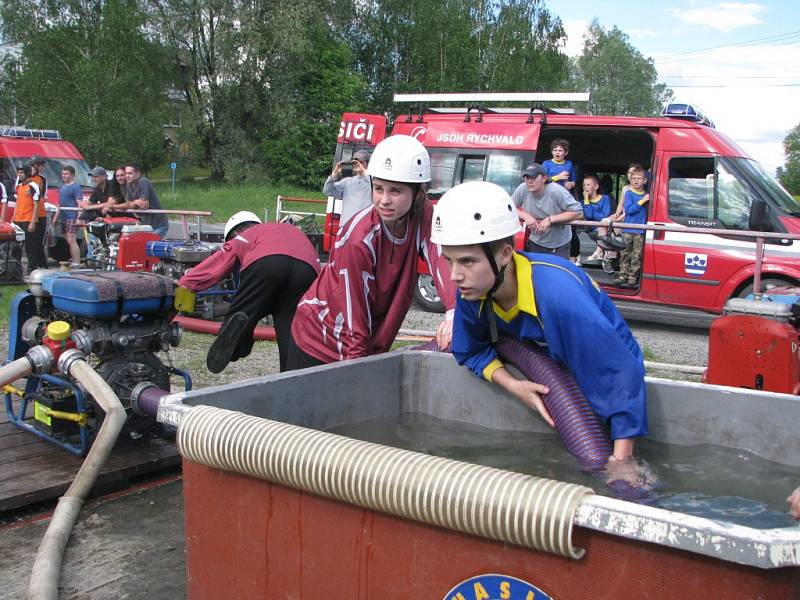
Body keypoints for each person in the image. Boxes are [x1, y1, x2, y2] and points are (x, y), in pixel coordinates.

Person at [432, 180, 648, 479]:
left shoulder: (559, 296)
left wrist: (622, 460)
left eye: (467, 261)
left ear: (505, 254)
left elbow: (619, 372)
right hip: (558, 371)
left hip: (608, 377)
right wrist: (514, 386)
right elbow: (470, 350)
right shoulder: (474, 290)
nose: (455, 276)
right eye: (449, 261)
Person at [287, 135, 456, 370]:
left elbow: (443, 259)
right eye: (378, 189)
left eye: (395, 191)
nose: (384, 200)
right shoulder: (360, 240)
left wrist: (454, 312)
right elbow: (355, 319)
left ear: (418, 193)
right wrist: (358, 372)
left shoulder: (423, 214)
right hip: (319, 340)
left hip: (365, 336)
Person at [177, 211, 320, 373]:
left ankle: (239, 344)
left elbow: (210, 270)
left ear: (235, 233)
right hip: (308, 269)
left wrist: (181, 295)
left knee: (245, 308)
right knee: (292, 334)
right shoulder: (288, 230)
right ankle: (292, 377)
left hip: (267, 260)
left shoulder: (245, 236)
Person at [511, 163, 583, 259]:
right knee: (536, 272)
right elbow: (508, 208)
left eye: (533, 177)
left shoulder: (556, 191)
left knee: (557, 272)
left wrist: (550, 219)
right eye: (526, 177)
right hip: (535, 241)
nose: (529, 181)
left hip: (559, 243)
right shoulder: (522, 188)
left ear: (544, 178)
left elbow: (578, 212)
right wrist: (526, 217)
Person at [616, 166, 650, 288]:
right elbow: (629, 210)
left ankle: (633, 276)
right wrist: (642, 201)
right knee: (625, 253)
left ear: (645, 181)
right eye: (633, 178)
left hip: (640, 230)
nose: (636, 181)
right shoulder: (629, 194)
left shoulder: (647, 195)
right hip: (628, 229)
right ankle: (622, 274)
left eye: (639, 178)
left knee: (637, 255)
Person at [322, 149, 372, 226]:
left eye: (361, 162)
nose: (357, 165)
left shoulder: (373, 181)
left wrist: (363, 172)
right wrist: (334, 173)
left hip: (363, 228)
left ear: (368, 163)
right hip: (345, 228)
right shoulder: (347, 181)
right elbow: (327, 191)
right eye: (355, 162)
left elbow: (373, 184)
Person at [118, 163, 169, 238]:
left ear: (138, 174)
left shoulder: (143, 182)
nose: (127, 176)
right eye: (126, 173)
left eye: (130, 173)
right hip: (146, 225)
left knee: (150, 246)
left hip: (158, 224)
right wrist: (135, 202)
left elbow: (144, 206)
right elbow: (128, 204)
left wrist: (132, 205)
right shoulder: (128, 184)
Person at [13, 163, 47, 273]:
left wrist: (33, 221)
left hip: (28, 219)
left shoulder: (33, 185)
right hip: (18, 219)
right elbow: (17, 203)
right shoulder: (19, 186)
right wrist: (13, 219)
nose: (19, 174)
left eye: (21, 172)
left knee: (30, 246)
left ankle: (32, 268)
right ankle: (16, 268)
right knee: (16, 246)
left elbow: (36, 205)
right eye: (18, 172)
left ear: (27, 173)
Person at [580, 174, 612, 264]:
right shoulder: (583, 202)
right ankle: (601, 255)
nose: (585, 187)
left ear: (596, 186)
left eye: (588, 185)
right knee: (603, 223)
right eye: (584, 185)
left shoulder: (605, 198)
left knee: (604, 223)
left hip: (607, 229)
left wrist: (595, 215)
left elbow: (605, 215)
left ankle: (601, 255)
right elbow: (589, 215)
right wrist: (586, 199)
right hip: (593, 231)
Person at [58, 165, 83, 266]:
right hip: (63, 217)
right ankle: (74, 260)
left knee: (72, 239)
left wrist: (79, 218)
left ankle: (77, 262)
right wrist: (56, 217)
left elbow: (79, 203)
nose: (63, 176)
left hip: (72, 216)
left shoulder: (76, 187)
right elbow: (60, 203)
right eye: (63, 174)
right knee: (67, 239)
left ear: (72, 175)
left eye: (66, 174)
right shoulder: (62, 187)